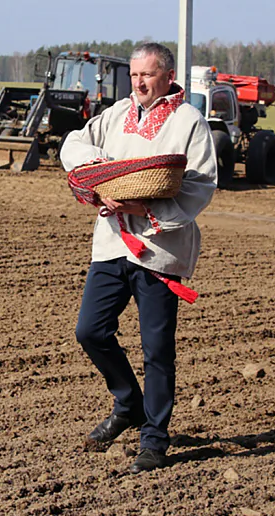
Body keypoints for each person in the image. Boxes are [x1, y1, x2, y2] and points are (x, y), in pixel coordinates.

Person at [60, 43, 217, 474]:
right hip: (111, 242)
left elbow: (200, 185)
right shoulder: (115, 114)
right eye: (134, 76)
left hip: (159, 250)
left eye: (147, 75)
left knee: (157, 349)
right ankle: (129, 403)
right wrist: (98, 176)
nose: (139, 83)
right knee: (89, 330)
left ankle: (154, 440)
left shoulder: (189, 122)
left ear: (168, 76)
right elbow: (74, 143)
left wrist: (145, 208)